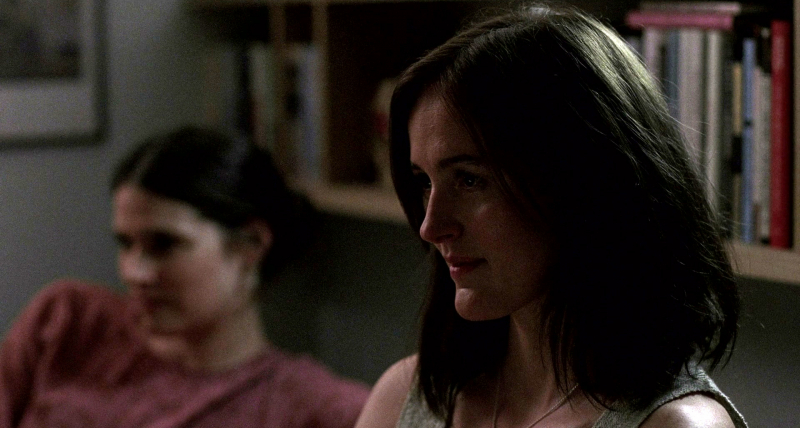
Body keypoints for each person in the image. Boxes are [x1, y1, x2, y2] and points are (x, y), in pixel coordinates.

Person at [355, 5, 747, 428]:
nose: (431, 227)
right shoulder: (405, 399)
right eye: (425, 182)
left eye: (469, 180)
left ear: (578, 182)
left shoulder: (674, 424)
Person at [0, 126, 370, 427]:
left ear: (250, 244)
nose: (134, 272)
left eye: (164, 244)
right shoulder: (67, 322)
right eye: (126, 244)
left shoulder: (315, 407)